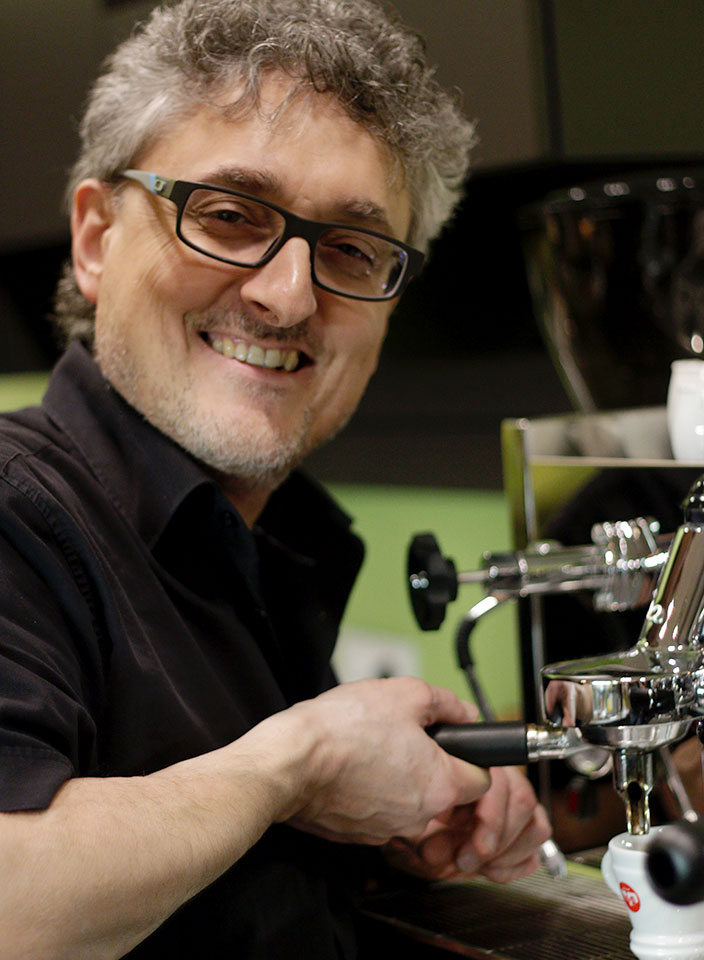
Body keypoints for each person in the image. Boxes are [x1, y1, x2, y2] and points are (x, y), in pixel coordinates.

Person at [0, 1, 552, 957]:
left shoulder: (267, 542)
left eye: (351, 248)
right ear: (95, 239)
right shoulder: (19, 514)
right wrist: (302, 766)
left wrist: (374, 831)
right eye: (227, 216)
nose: (288, 295)